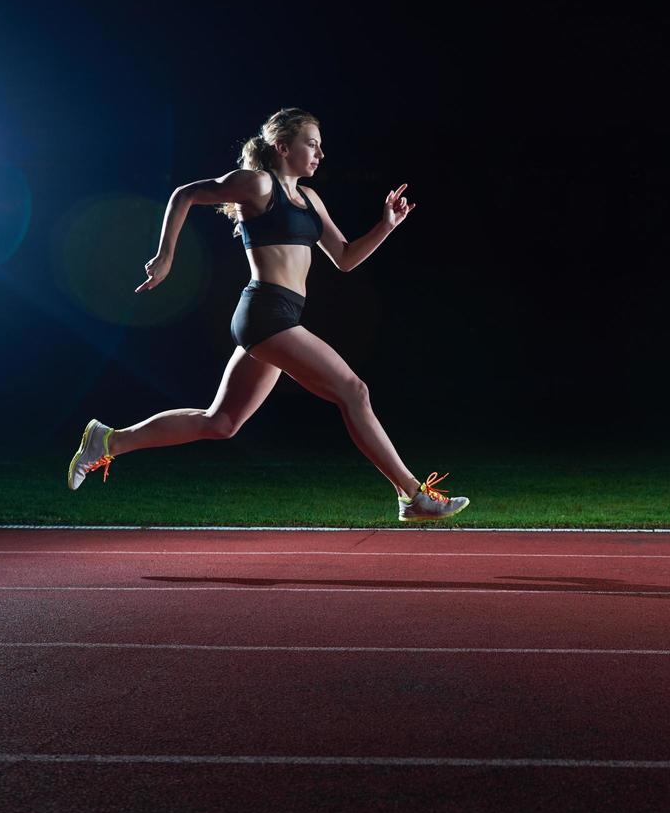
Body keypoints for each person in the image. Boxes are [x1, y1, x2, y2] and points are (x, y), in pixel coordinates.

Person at [66, 106, 468, 522]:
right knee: (355, 391)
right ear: (282, 146)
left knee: (221, 422)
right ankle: (411, 494)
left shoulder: (310, 199)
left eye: (320, 145)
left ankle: (108, 440)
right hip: (265, 312)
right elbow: (184, 194)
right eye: (311, 143)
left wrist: (386, 225)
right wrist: (165, 257)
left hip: (281, 316)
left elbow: (345, 258)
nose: (319, 153)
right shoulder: (258, 185)